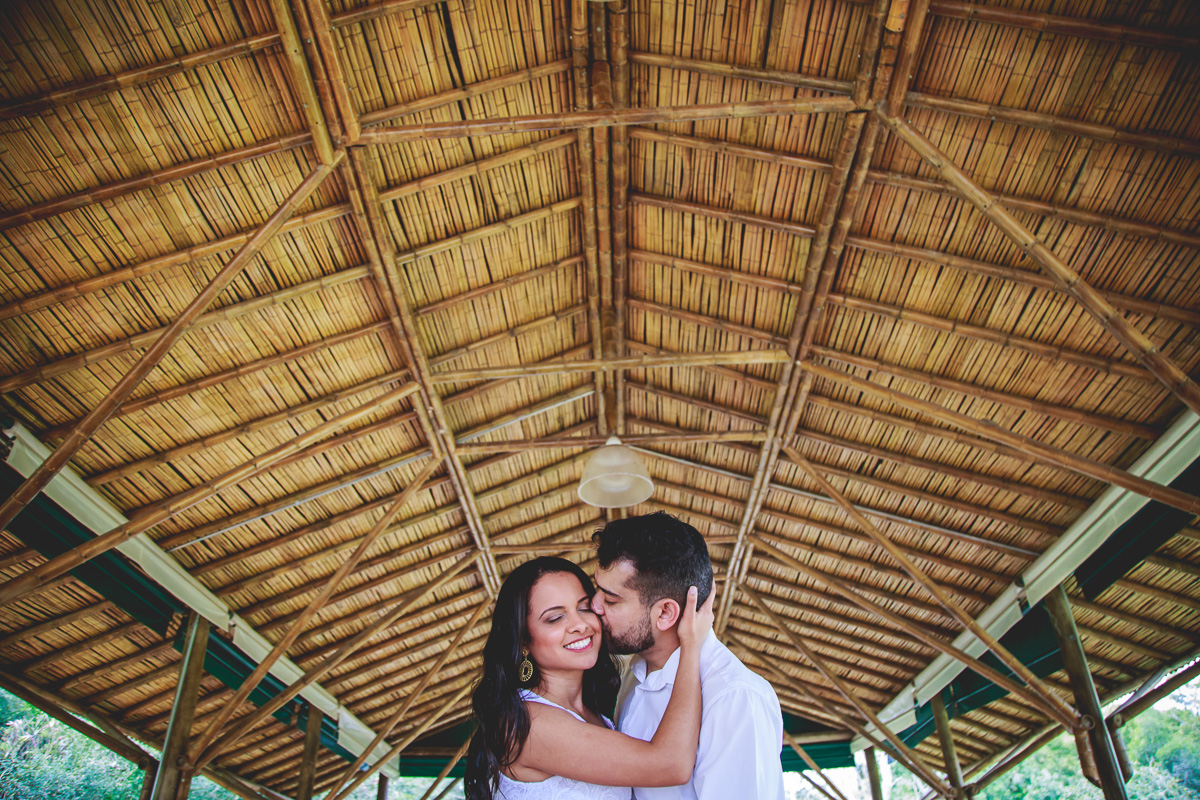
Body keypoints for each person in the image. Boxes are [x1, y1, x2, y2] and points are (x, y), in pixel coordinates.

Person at [466, 556, 715, 800]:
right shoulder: (528, 724)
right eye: (555, 618)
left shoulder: (600, 715)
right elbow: (670, 765)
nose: (579, 624)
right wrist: (690, 644)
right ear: (523, 641)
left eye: (584, 607)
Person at [591, 512, 786, 800]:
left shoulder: (734, 697)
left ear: (666, 613)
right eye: (597, 590)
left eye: (610, 599)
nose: (594, 605)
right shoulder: (635, 670)